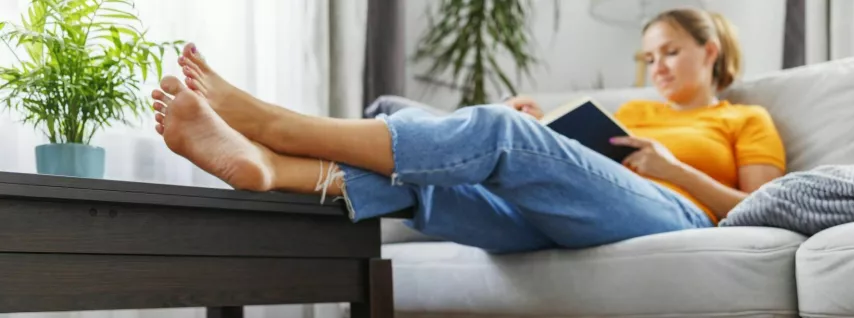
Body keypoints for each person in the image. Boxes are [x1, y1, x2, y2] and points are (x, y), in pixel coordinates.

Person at [151, 8, 785, 254]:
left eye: (671, 52)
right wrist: (549, 139)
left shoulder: (744, 118)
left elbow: (762, 210)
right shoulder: (633, 111)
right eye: (649, 57)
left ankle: (273, 127)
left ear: (711, 51)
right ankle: (276, 171)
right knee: (409, 120)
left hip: (677, 214)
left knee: (496, 130)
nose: (657, 67)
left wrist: (671, 167)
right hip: (565, 209)